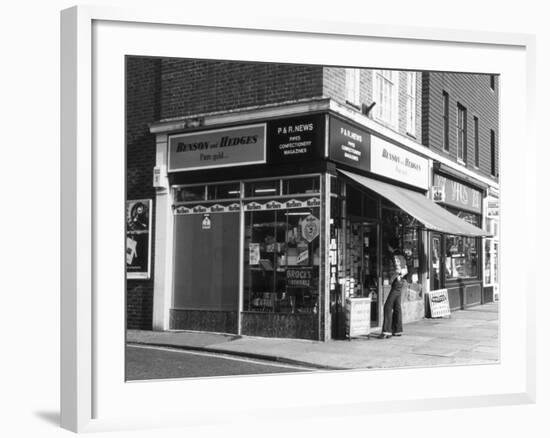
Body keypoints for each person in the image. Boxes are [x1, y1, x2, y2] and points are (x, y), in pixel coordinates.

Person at [380, 237, 408, 339]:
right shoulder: (402, 256)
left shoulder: (394, 256)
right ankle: (397, 329)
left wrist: (391, 279)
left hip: (396, 283)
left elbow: (397, 270)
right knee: (397, 306)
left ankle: (387, 331)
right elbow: (405, 270)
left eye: (388, 245)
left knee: (387, 306)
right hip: (401, 282)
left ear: (390, 246)